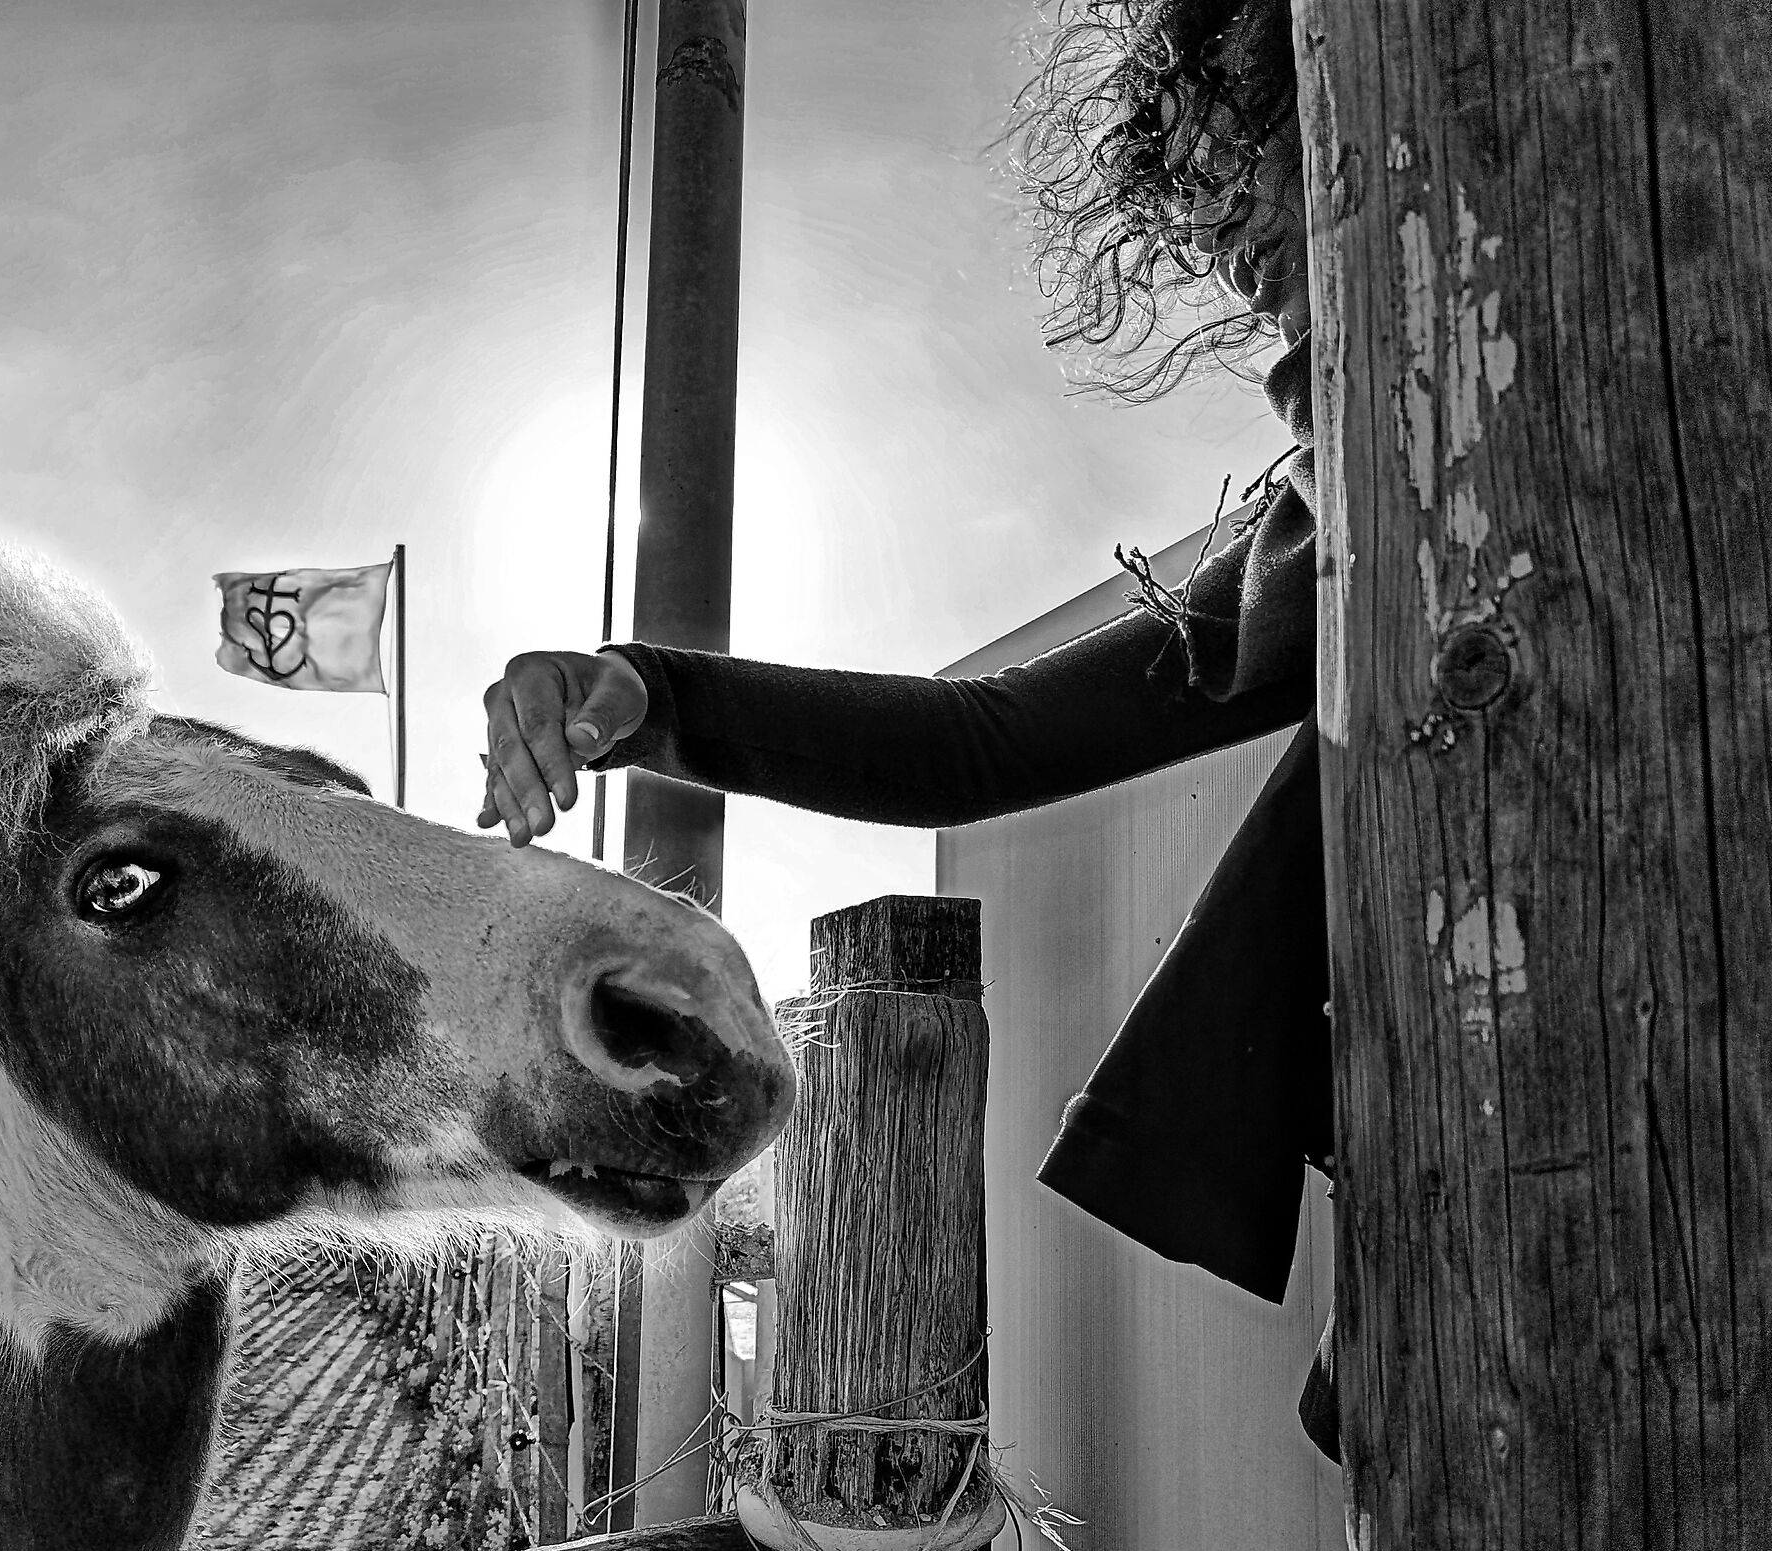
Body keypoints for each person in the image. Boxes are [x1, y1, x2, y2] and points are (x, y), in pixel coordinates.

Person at [477, 0, 1343, 1462]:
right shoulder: (1314, 538)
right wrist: (650, 695)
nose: (1238, 260)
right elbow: (982, 742)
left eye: (1245, 168)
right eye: (1204, 214)